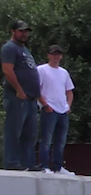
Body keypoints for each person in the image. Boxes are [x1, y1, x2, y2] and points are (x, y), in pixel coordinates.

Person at [1, 20, 41, 171]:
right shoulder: (10, 48)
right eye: (21, 31)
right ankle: (11, 163)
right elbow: (7, 70)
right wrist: (19, 89)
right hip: (17, 96)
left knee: (30, 134)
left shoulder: (25, 50)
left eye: (26, 31)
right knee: (14, 130)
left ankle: (27, 163)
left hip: (30, 99)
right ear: (13, 31)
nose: (24, 34)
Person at [37, 44, 75, 174]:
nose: (56, 57)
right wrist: (45, 105)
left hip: (62, 110)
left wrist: (68, 106)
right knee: (47, 139)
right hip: (49, 109)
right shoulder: (42, 70)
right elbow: (37, 90)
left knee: (60, 141)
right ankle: (44, 165)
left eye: (58, 54)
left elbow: (69, 91)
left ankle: (58, 167)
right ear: (48, 55)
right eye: (53, 54)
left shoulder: (64, 72)